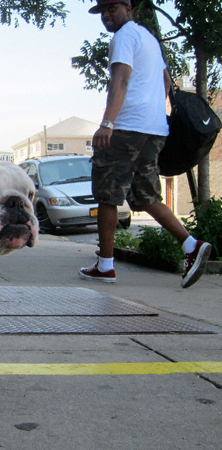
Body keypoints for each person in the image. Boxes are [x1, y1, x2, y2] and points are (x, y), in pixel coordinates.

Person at [78, 0, 211, 288]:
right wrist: (152, 110)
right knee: (146, 196)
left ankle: (105, 266)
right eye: (103, 11)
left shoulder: (124, 36)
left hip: (127, 128)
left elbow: (120, 79)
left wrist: (108, 123)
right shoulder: (149, 39)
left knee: (107, 193)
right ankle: (191, 245)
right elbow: (165, 81)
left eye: (112, 8)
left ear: (129, 8)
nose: (106, 15)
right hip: (155, 129)